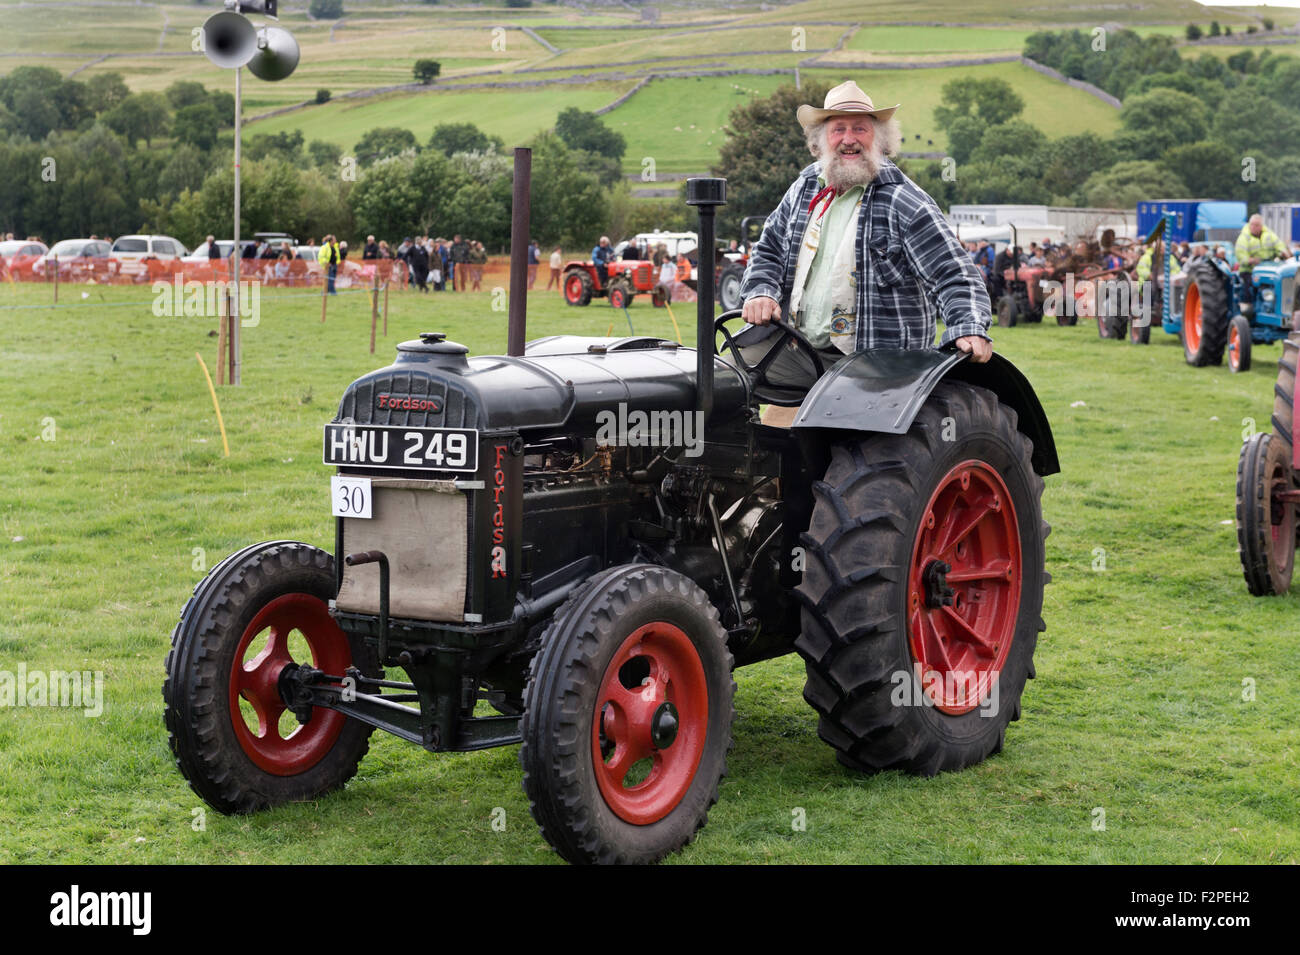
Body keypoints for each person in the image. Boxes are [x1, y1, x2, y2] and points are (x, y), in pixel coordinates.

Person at [738, 79, 991, 416]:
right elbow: (768, 249)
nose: (848, 139)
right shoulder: (803, 188)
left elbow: (954, 274)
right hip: (798, 350)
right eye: (838, 129)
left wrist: (969, 326)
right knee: (721, 384)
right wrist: (761, 292)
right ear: (821, 141)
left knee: (855, 450)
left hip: (875, 365)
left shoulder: (904, 201)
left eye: (860, 128)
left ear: (880, 139)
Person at [1235, 213, 1286, 304]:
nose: (1254, 227)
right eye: (1252, 225)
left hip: (1269, 269)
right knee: (1250, 288)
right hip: (1250, 270)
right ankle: (1249, 308)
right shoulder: (1243, 238)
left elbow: (1279, 245)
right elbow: (1241, 255)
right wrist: (1251, 260)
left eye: (1257, 225)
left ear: (1261, 226)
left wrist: (1283, 252)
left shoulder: (1269, 235)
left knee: (1280, 283)